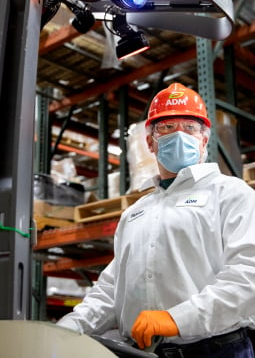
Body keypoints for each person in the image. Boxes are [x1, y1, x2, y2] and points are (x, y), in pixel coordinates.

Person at [57, 83, 255, 358]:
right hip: (144, 352)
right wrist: (67, 329)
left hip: (216, 350)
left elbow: (248, 276)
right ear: (150, 142)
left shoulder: (231, 194)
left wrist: (177, 319)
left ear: (204, 140)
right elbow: (111, 289)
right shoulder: (135, 213)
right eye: (167, 127)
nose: (180, 135)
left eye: (190, 128)